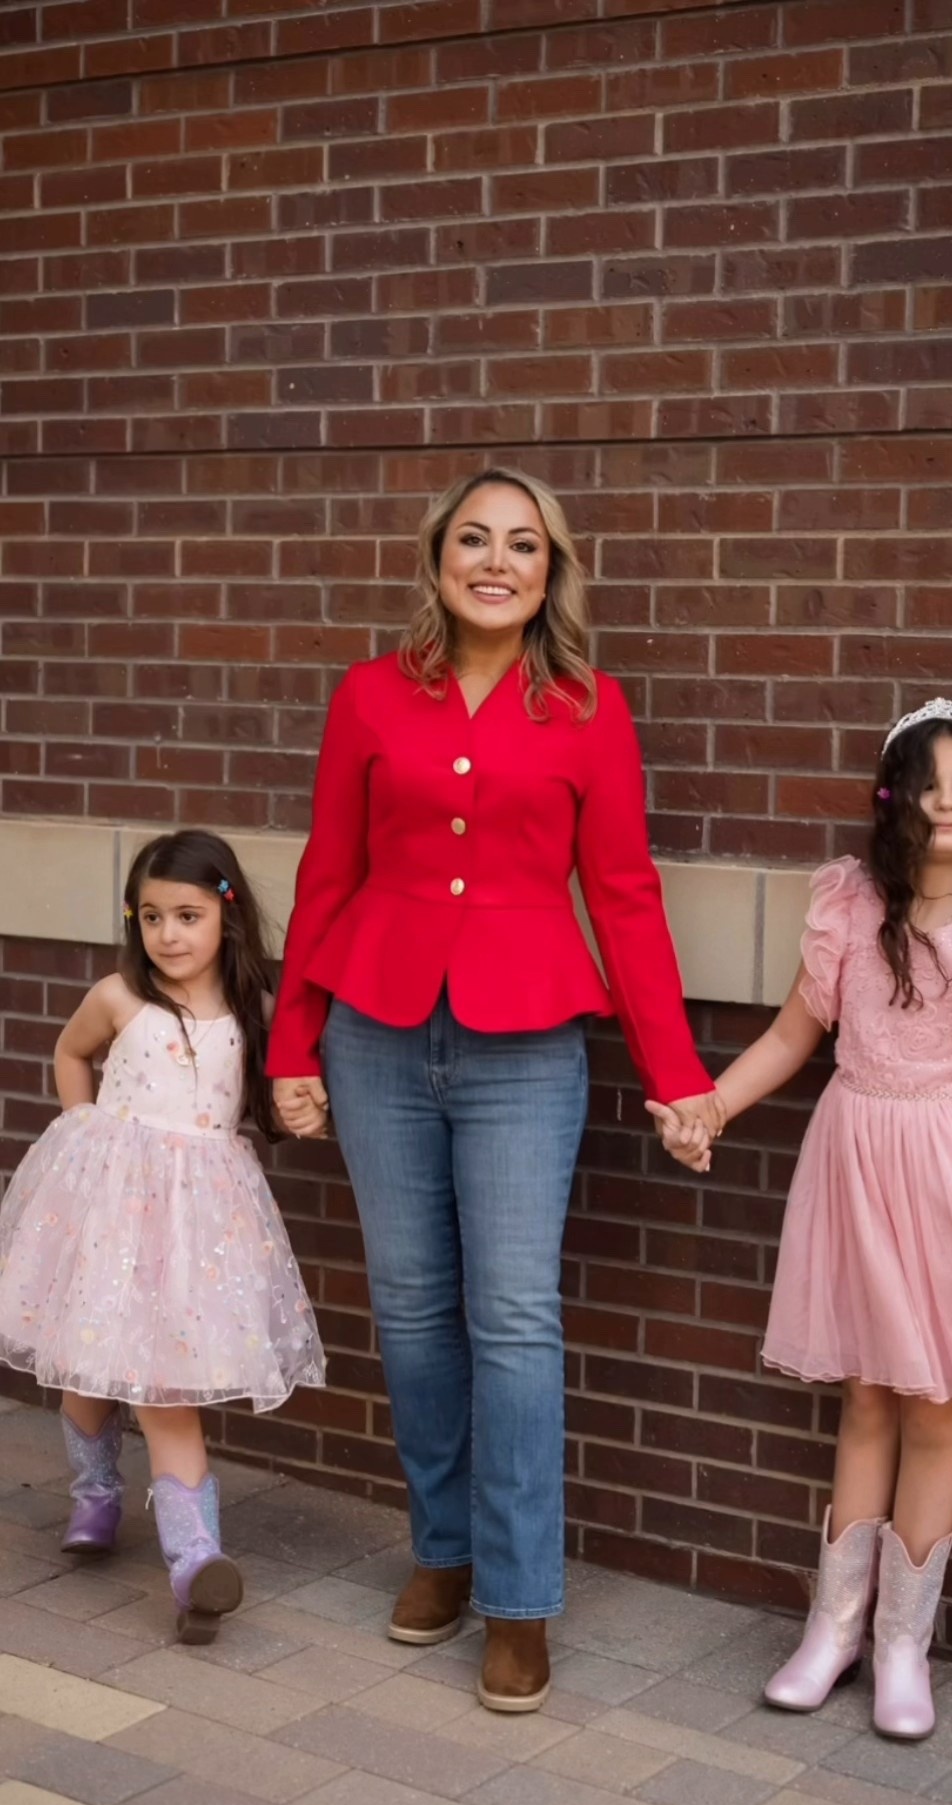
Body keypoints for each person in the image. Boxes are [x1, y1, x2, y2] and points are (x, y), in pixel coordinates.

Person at [268, 466, 723, 1713]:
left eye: (522, 545)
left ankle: (520, 1601)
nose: (496, 559)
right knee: (413, 1310)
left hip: (529, 1047)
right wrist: (292, 1043)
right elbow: (328, 873)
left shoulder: (588, 708)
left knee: (513, 1317)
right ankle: (445, 1551)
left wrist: (676, 1074)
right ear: (437, 559)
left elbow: (624, 898)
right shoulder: (368, 697)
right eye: (474, 538)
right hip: (375, 1032)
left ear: (548, 573)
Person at [651, 698, 952, 1740]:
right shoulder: (848, 908)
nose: (950, 802)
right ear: (894, 799)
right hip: (860, 1166)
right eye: (931, 784)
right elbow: (796, 1037)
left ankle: (902, 1648)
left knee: (941, 1406)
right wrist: (714, 1101)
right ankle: (832, 1629)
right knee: (868, 1401)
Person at [0, 830, 325, 1644]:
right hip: (107, 1209)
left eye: (187, 915)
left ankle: (194, 1561)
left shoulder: (256, 1016)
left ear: (228, 915)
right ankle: (97, 1494)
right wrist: (84, 1131)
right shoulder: (119, 997)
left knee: (168, 1391)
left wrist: (305, 1106)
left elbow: (286, 1095)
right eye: (151, 917)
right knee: (87, 1368)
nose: (169, 935)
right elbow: (72, 1053)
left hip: (197, 1232)